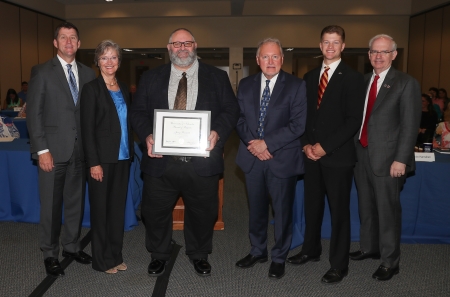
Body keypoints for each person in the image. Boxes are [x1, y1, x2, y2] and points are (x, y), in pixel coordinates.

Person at [130, 28, 239, 277]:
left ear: (195, 45)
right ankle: (158, 254)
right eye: (176, 43)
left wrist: (217, 132)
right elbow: (137, 113)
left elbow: (231, 110)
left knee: (203, 212)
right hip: (161, 162)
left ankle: (199, 254)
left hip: (201, 162)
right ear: (169, 48)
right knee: (154, 211)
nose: (182, 48)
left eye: (187, 43)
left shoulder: (216, 77)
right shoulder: (151, 78)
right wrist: (148, 135)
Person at [286, 25, 365, 284]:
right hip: (311, 156)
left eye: (336, 42)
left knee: (339, 212)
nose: (330, 46)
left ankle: (339, 265)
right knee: (312, 206)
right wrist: (307, 145)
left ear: (343, 46)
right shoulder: (309, 77)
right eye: (326, 42)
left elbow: (353, 120)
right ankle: (311, 249)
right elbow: (305, 117)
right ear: (320, 46)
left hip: (337, 157)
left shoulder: (353, 78)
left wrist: (325, 146)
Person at [26, 22, 96, 278]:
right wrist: (42, 150)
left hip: (80, 152)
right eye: (63, 37)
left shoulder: (89, 74)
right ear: (55, 43)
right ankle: (49, 253)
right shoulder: (42, 72)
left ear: (79, 44)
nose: (69, 42)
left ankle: (72, 246)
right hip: (52, 153)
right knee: (52, 206)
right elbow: (34, 115)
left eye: (73, 38)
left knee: (75, 204)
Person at [350, 34, 421, 281]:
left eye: (383, 52)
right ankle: (369, 248)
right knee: (366, 207)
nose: (378, 56)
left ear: (394, 54)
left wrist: (401, 159)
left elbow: (410, 125)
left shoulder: (405, 83)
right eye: (374, 52)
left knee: (388, 211)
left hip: (390, 160)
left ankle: (390, 262)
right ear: (369, 55)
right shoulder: (363, 81)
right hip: (361, 155)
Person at [235, 38, 307, 279]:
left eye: (275, 56)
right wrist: (254, 145)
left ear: (282, 59)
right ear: (257, 60)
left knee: (282, 211)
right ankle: (258, 251)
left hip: (281, 158)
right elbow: (239, 119)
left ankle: (279, 257)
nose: (270, 61)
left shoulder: (296, 86)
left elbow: (298, 125)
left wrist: (267, 144)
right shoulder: (245, 85)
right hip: (252, 158)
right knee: (256, 209)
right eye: (265, 57)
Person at [80, 40, 134, 274]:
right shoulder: (91, 89)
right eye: (104, 58)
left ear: (119, 62)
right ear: (97, 62)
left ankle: (115, 255)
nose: (109, 62)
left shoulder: (123, 87)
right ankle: (101, 260)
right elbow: (87, 130)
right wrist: (94, 163)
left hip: (123, 159)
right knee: (101, 212)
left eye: (113, 57)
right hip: (101, 162)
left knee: (116, 211)